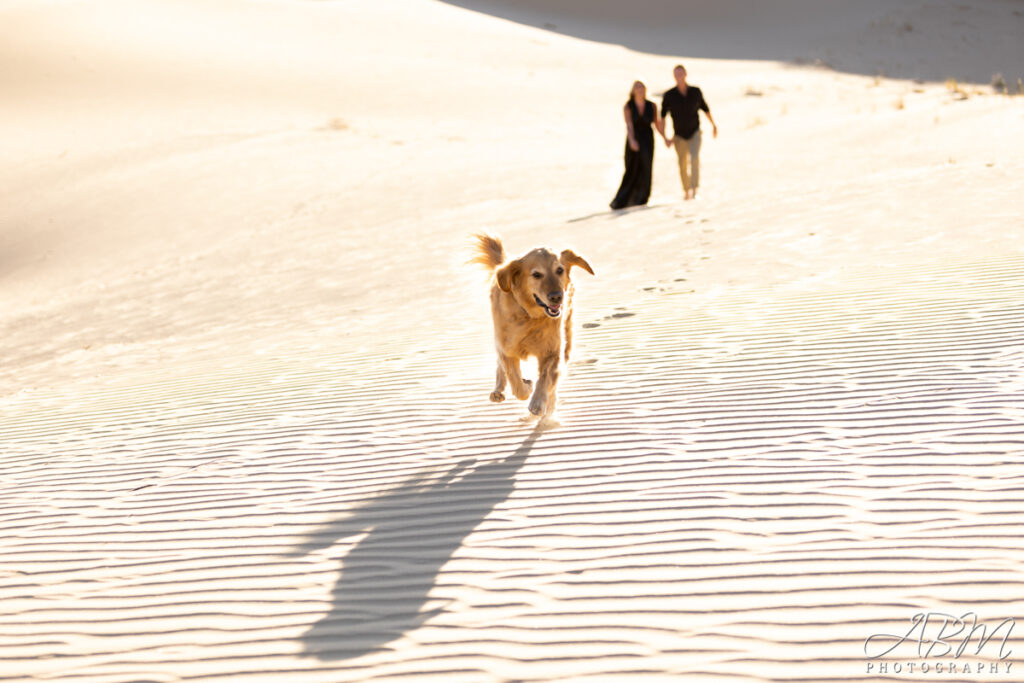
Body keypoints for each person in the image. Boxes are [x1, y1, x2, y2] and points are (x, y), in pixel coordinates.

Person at [661, 64, 717, 200]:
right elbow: (662, 117)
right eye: (676, 74)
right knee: (682, 163)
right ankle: (686, 191)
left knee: (694, 157)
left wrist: (714, 125)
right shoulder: (669, 95)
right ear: (674, 76)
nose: (679, 76)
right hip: (679, 135)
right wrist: (665, 137)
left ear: (685, 74)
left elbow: (705, 108)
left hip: (695, 132)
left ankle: (694, 190)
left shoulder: (695, 92)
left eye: (681, 73)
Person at [610, 81, 665, 210]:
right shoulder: (628, 106)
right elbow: (629, 125)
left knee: (646, 168)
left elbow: (656, 124)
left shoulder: (652, 105)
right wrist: (632, 140)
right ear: (633, 90)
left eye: (642, 87)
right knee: (631, 168)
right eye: (637, 87)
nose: (640, 90)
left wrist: (665, 138)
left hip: (648, 139)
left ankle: (641, 199)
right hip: (634, 138)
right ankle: (623, 199)